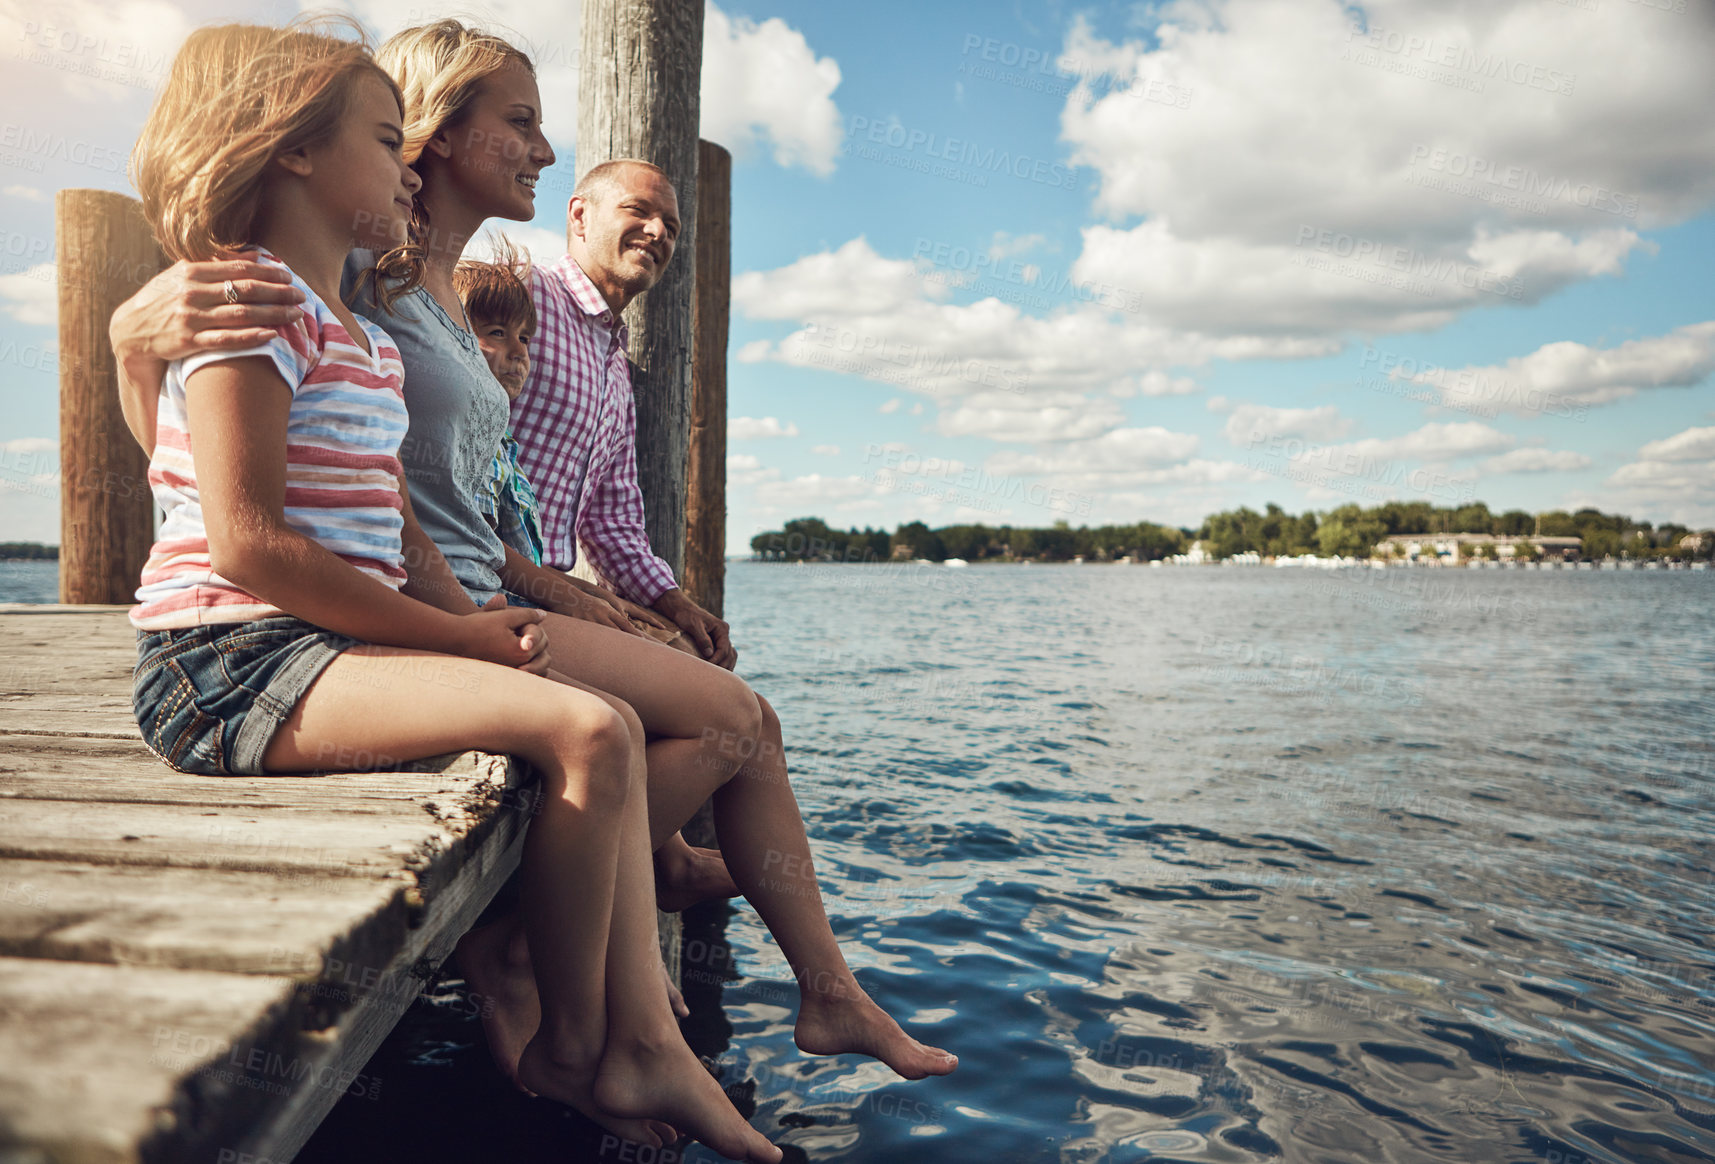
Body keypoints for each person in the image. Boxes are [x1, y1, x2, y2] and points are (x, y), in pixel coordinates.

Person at [110, 16, 957, 1093]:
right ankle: (559, 964)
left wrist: (615, 596)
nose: (542, 147)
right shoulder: (352, 282)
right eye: (519, 122)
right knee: (666, 725)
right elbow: (225, 494)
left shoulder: (416, 310)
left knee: (727, 714)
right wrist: (131, 337)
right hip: (299, 636)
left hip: (410, 602)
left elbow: (453, 500)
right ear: (430, 133)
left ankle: (744, 991)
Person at [453, 242, 684, 648]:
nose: (519, 352)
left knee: (683, 648)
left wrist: (605, 597)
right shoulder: (465, 443)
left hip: (529, 594)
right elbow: (479, 548)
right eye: (496, 333)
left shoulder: (506, 450)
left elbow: (611, 520)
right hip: (481, 607)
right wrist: (574, 597)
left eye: (526, 339)